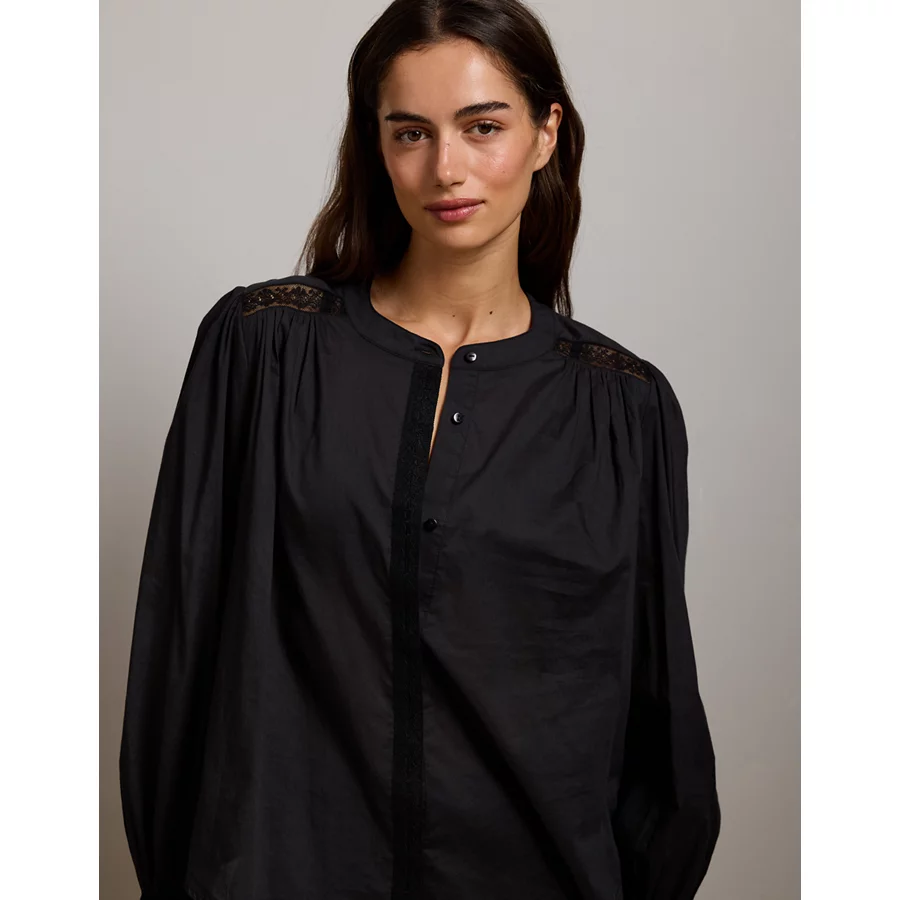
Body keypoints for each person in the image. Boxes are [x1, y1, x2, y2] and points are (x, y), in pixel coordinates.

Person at [118, 1, 721, 898]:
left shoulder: (624, 411)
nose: (446, 168)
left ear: (546, 133)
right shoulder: (262, 349)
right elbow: (177, 664)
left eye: (483, 127)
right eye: (411, 132)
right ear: (376, 147)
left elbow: (655, 727)